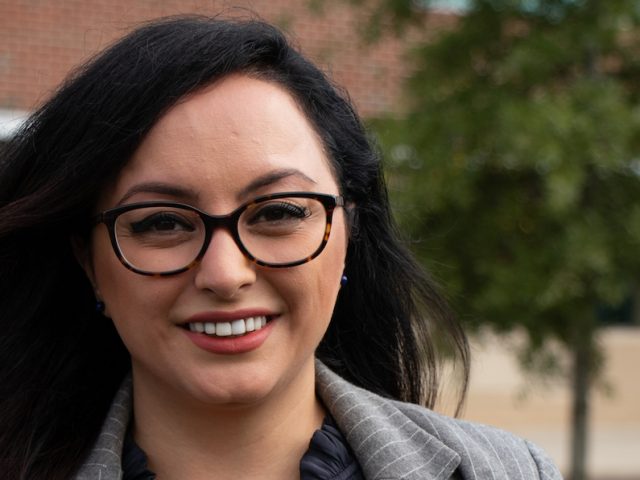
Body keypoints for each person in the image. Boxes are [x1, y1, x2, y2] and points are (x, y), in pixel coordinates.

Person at [0, 15, 562, 480]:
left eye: (279, 212)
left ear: (349, 233)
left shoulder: (510, 470)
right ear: (88, 262)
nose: (224, 274)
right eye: (162, 224)